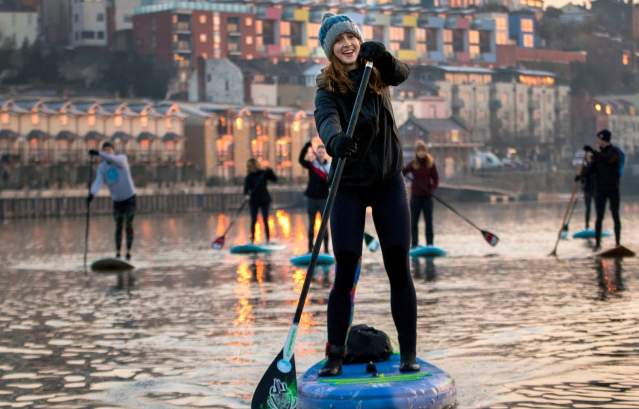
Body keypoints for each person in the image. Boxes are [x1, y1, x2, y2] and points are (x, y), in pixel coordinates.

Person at [314, 12, 418, 376]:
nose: (347, 44)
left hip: (388, 181)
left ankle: (408, 355)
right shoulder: (326, 88)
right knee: (345, 264)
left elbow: (402, 73)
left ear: (359, 40)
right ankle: (335, 355)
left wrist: (385, 56)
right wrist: (334, 140)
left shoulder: (378, 73)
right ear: (330, 50)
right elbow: (326, 118)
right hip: (348, 185)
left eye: (351, 38)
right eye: (339, 41)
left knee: (397, 264)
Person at [88, 142, 136, 260]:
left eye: (109, 150)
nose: (107, 153)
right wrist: (91, 194)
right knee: (118, 226)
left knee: (128, 224)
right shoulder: (102, 168)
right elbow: (98, 182)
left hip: (130, 198)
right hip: (117, 201)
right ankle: (118, 253)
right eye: (105, 151)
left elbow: (110, 158)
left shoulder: (121, 160)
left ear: (113, 151)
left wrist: (99, 153)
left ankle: (128, 252)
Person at [581, 129, 623, 250]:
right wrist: (581, 175)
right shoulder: (597, 155)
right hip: (600, 190)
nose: (598, 142)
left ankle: (617, 243)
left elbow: (608, 159)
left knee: (615, 215)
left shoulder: (614, 152)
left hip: (613, 189)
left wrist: (593, 151)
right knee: (599, 217)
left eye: (599, 139)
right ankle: (598, 245)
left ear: (604, 139)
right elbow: (591, 170)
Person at [402, 140, 439, 248]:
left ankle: (430, 244)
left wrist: (432, 189)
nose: (421, 153)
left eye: (423, 150)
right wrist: (400, 169)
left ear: (426, 151)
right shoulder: (413, 164)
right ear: (416, 152)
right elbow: (403, 172)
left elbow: (436, 179)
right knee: (414, 222)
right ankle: (414, 244)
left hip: (428, 197)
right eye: (419, 151)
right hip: (416, 198)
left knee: (429, 222)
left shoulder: (430, 164)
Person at [298, 141, 331, 253]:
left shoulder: (329, 167)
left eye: (322, 152)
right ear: (316, 153)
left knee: (324, 227)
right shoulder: (312, 165)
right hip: (311, 199)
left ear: (324, 154)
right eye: (319, 152)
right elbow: (300, 160)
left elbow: (332, 182)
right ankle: (310, 250)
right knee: (311, 226)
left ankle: (326, 250)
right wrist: (306, 146)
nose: (321, 154)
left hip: (323, 199)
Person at [243, 158, 277, 244]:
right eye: (249, 167)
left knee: (265, 219)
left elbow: (274, 179)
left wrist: (270, 171)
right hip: (253, 201)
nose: (250, 168)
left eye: (251, 166)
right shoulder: (249, 177)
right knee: (253, 220)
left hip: (264, 199)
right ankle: (252, 240)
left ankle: (268, 240)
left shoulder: (263, 173)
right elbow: (246, 189)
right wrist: (246, 195)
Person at [577, 152, 595, 229]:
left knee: (598, 208)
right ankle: (587, 225)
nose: (590, 159)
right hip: (587, 190)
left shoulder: (595, 166)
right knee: (588, 208)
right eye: (588, 157)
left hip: (595, 190)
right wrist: (581, 178)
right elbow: (581, 178)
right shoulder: (584, 167)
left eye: (591, 157)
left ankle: (598, 225)